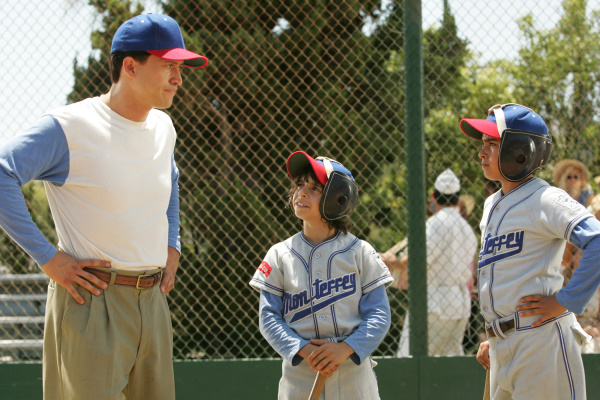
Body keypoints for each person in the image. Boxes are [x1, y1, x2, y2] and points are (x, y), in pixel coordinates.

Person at [0, 13, 208, 400]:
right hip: (91, 302)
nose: (178, 79)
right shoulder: (69, 126)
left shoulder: (163, 127)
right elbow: (2, 173)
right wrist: (47, 257)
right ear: (130, 66)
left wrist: (173, 242)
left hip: (153, 301)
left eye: (181, 69)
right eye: (168, 67)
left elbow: (171, 177)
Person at [460, 103, 600, 399]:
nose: (481, 151)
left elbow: (597, 240)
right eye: (482, 143)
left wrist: (565, 301)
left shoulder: (545, 198)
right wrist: (496, 331)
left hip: (541, 343)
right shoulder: (491, 204)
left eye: (492, 143)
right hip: (503, 345)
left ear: (519, 150)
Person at [249, 151, 393, 399]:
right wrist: (303, 349)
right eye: (299, 185)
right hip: (301, 376)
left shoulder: (359, 252)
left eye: (314, 188)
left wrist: (345, 348)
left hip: (353, 376)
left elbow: (379, 314)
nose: (301, 192)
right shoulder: (279, 254)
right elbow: (269, 317)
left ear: (338, 197)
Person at [383, 169, 478, 357]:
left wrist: (394, 261)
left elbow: (417, 260)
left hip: (435, 302)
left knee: (408, 357)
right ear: (458, 198)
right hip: (460, 303)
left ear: (434, 196)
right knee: (448, 361)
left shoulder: (435, 223)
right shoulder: (467, 229)